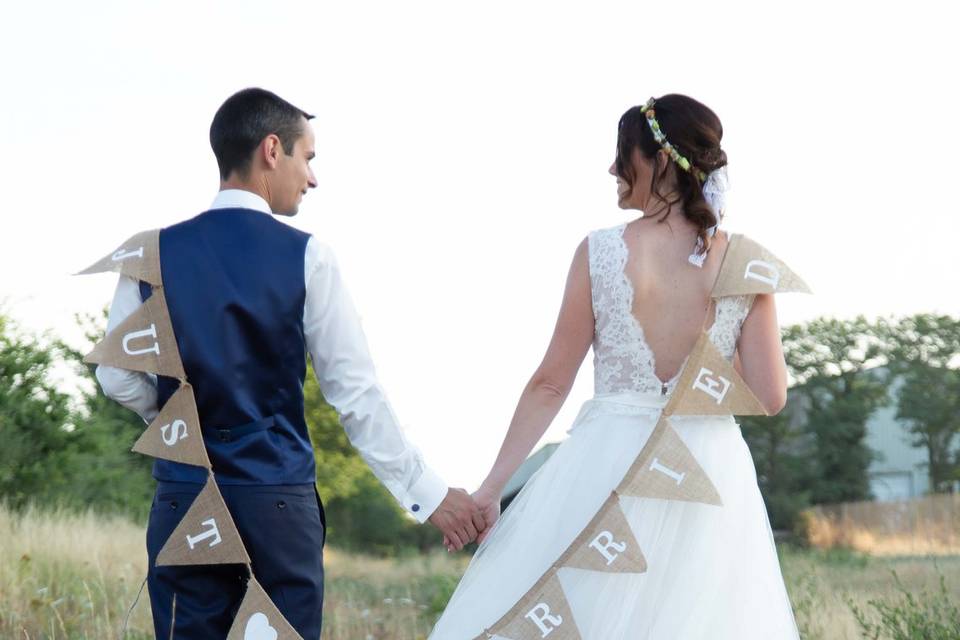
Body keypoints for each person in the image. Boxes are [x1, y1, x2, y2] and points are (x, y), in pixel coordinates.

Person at [95, 87, 486, 639]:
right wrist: (427, 493)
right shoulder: (308, 256)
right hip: (276, 504)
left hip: (185, 498)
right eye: (309, 158)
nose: (313, 177)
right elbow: (355, 392)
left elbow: (116, 377)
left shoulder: (148, 254)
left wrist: (180, 429)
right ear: (271, 151)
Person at [430, 94, 800, 638]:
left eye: (622, 154)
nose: (611, 168)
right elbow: (770, 396)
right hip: (708, 473)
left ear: (661, 160)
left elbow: (550, 383)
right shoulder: (746, 261)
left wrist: (491, 489)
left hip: (603, 466)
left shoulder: (600, 252)